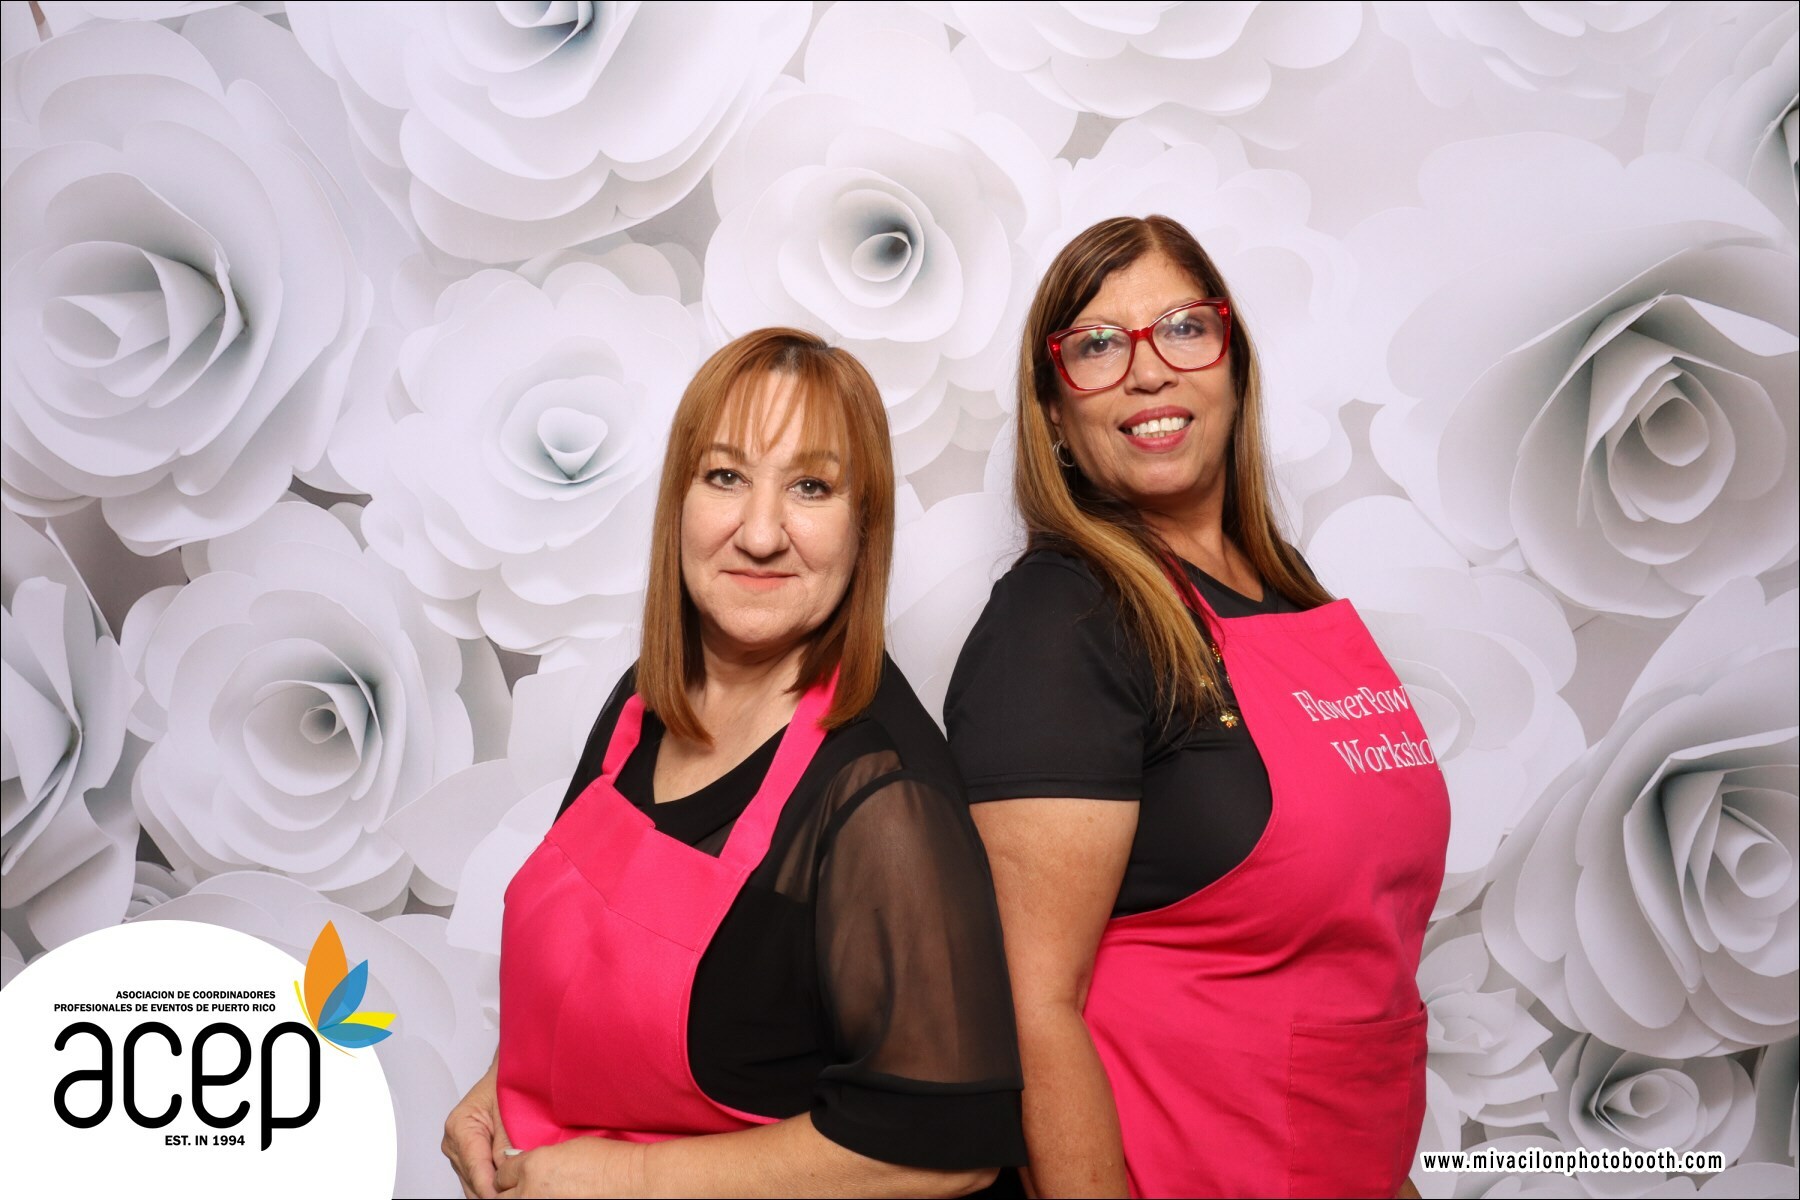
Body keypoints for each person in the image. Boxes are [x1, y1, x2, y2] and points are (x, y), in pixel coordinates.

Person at [444, 328, 1026, 1199]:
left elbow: (945, 1146)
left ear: (865, 528)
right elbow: (579, 976)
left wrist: (632, 1180)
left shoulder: (883, 796)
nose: (759, 533)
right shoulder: (642, 706)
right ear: (678, 502)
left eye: (811, 487)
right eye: (725, 476)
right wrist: (496, 1093)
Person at [945, 215, 1449, 1199]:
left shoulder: (1292, 595)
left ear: (1234, 365)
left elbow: (1361, 972)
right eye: (1097, 346)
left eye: (1183, 328)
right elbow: (1029, 1010)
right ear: (1054, 415)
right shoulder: (1062, 622)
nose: (1148, 371)